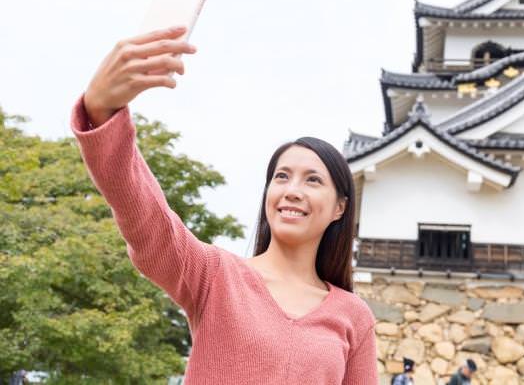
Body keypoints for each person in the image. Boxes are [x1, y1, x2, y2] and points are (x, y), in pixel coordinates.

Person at [70, 25, 377, 384]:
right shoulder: (215, 276)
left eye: (312, 180)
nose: (292, 190)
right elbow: (147, 219)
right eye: (281, 177)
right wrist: (102, 111)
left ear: (340, 207)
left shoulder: (354, 317)